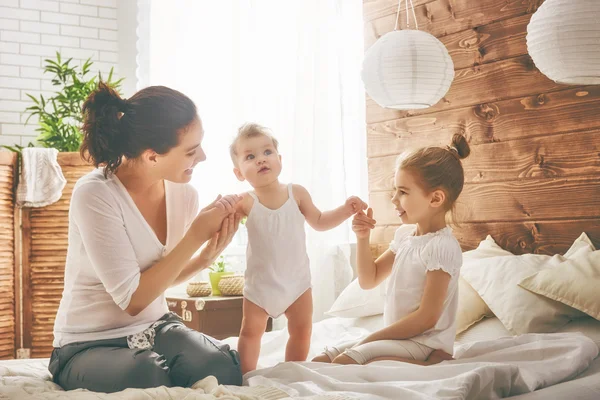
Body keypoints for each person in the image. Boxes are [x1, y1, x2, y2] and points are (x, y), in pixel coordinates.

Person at [49, 82, 243, 393]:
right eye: (191, 151)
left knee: (222, 365)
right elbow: (134, 299)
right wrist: (195, 235)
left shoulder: (185, 195)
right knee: (146, 376)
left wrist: (206, 256)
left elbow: (160, 279)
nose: (203, 157)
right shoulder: (95, 194)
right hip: (87, 343)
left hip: (156, 329)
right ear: (152, 156)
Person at [313, 134, 470, 366]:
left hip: (425, 343)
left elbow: (427, 318)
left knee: (344, 362)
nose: (394, 199)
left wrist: (371, 338)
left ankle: (432, 362)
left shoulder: (442, 247)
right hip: (397, 339)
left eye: (403, 192)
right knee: (321, 359)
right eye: (395, 190)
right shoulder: (405, 236)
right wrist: (363, 238)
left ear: (435, 198)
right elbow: (369, 280)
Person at [229, 123, 368, 373]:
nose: (261, 159)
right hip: (261, 285)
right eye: (250, 156)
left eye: (267, 152)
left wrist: (346, 210)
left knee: (302, 330)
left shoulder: (297, 193)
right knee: (250, 333)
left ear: (280, 159)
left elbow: (320, 221)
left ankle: (291, 372)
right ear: (239, 172)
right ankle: (244, 376)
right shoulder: (245, 202)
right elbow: (224, 230)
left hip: (297, 283)